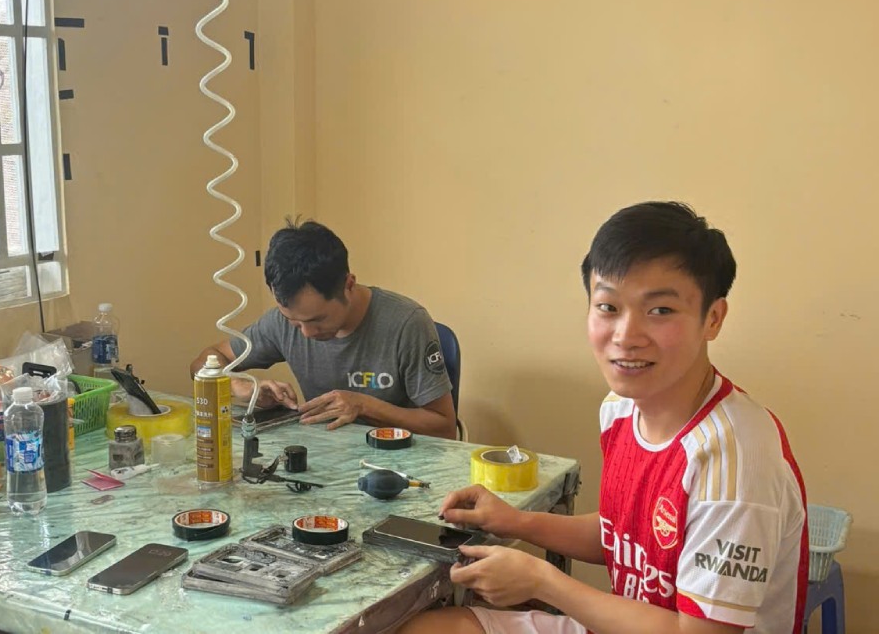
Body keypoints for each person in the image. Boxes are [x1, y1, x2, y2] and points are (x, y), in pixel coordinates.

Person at [400, 202, 808, 634]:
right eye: (608, 307)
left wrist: (543, 580)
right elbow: (623, 537)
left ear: (713, 318)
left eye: (661, 311)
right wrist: (516, 522)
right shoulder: (620, 408)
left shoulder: (737, 459)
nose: (626, 337)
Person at [191, 219, 456, 439]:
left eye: (317, 319)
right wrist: (238, 387)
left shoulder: (406, 323)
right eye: (295, 321)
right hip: (325, 460)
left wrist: (365, 406)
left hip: (396, 467)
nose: (306, 333)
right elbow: (202, 363)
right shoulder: (280, 324)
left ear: (349, 285)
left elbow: (444, 428)